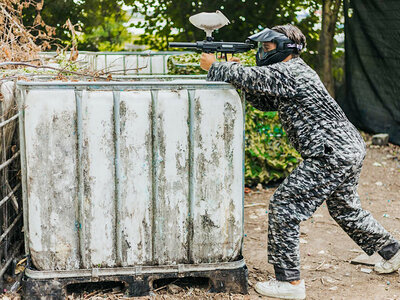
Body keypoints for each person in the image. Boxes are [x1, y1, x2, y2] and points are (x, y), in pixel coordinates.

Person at [200, 24, 400, 300]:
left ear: (284, 47)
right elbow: (265, 100)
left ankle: (289, 283)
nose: (262, 52)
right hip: (345, 148)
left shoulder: (291, 70)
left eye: (267, 47)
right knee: (345, 209)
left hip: (330, 152)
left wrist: (217, 67)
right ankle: (392, 251)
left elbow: (257, 78)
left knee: (285, 205)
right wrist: (231, 71)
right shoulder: (290, 72)